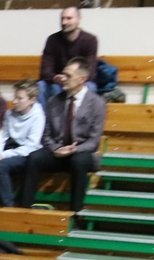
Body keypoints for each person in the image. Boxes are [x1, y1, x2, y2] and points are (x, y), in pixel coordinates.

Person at [21, 58, 107, 211]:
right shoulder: (54, 101)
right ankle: (25, 207)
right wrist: (56, 149)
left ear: (82, 79)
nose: (62, 78)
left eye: (68, 75)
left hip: (81, 152)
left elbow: (93, 142)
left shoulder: (98, 103)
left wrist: (75, 149)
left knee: (79, 161)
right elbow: (46, 135)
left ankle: (76, 212)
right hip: (57, 151)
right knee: (34, 158)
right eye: (63, 74)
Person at [0, 79, 45, 206]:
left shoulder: (38, 117)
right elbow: (3, 137)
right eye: (14, 97)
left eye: (19, 98)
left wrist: (1, 156)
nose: (14, 101)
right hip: (9, 149)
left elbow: (31, 146)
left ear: (32, 100)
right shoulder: (10, 114)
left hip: (26, 154)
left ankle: (9, 206)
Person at [39, 6, 99, 108]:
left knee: (90, 87)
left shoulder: (90, 40)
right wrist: (55, 78)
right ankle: (48, 118)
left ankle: (80, 118)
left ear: (79, 19)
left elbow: (89, 71)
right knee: (41, 86)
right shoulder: (52, 40)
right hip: (58, 82)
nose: (64, 22)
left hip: (79, 81)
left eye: (69, 18)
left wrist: (72, 79)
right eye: (62, 18)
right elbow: (45, 70)